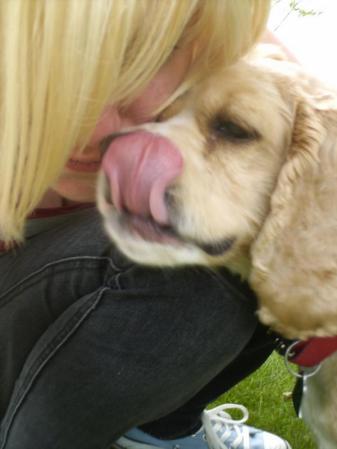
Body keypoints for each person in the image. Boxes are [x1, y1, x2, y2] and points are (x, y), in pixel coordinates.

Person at [0, 1, 291, 448]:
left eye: (150, 54)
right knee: (191, 269)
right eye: (44, 56)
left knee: (269, 225)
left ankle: (160, 430)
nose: (95, 128)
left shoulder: (218, 40)